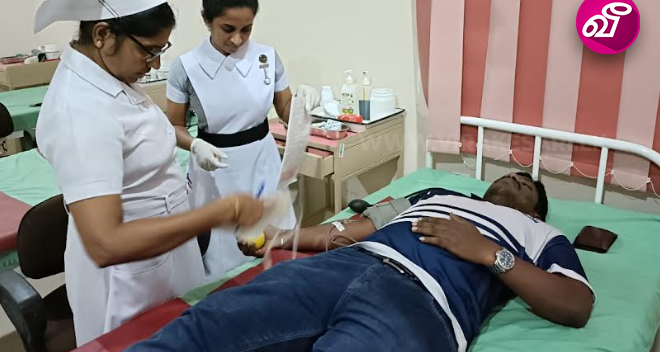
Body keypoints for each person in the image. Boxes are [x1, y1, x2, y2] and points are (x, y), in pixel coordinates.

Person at [34, 0, 264, 345]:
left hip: (164, 254)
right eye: (149, 50)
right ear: (103, 35)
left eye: (161, 51)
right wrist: (215, 214)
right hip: (128, 278)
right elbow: (105, 243)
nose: (155, 64)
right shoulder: (79, 111)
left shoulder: (112, 77)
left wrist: (194, 149)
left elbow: (143, 140)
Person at [125, 172, 594, 352]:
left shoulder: (539, 234)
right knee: (210, 322)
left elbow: (575, 305)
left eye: (526, 185)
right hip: (342, 267)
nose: (514, 178)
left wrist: (488, 252)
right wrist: (279, 238)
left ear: (535, 210)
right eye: (510, 174)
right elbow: (351, 231)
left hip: (422, 304)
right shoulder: (434, 193)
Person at [165, 0, 320, 279]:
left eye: (246, 29)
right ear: (206, 19)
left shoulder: (266, 58)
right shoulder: (187, 68)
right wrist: (195, 146)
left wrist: (303, 105)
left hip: (263, 162)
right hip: (215, 169)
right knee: (224, 261)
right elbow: (174, 126)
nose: (237, 39)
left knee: (276, 246)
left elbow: (285, 107)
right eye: (227, 29)